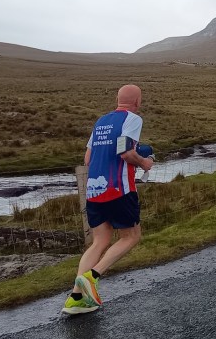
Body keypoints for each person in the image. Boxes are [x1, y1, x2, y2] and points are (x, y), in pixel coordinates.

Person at [62, 84, 154, 315]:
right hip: (119, 189)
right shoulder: (132, 119)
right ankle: (92, 277)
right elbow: (126, 152)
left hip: (95, 189)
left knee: (99, 241)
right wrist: (144, 162)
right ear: (138, 101)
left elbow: (87, 158)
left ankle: (76, 298)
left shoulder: (101, 121)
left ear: (117, 99)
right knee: (131, 236)